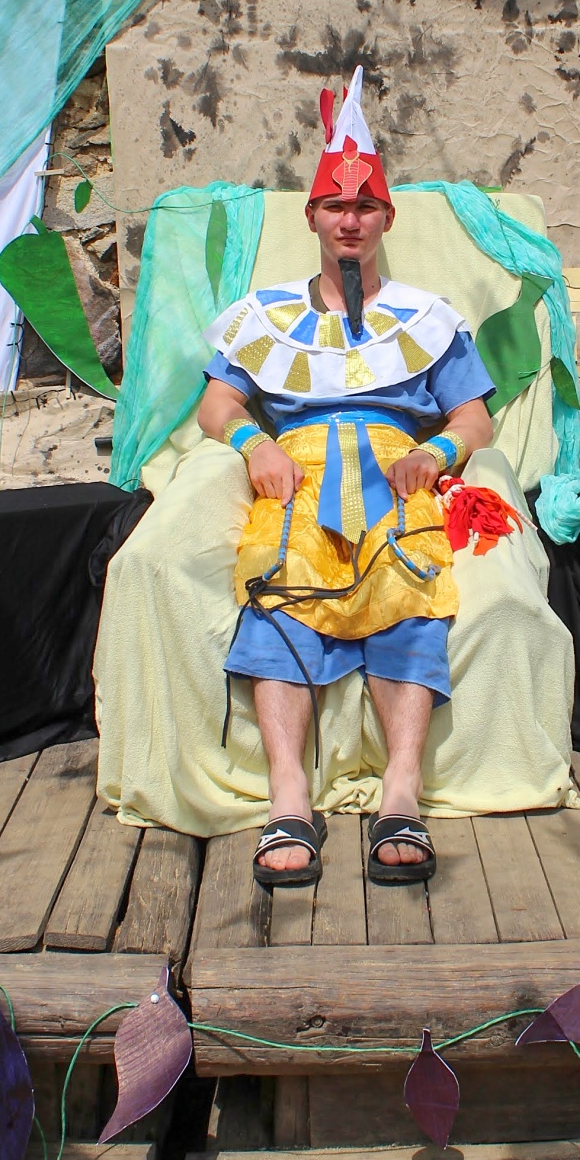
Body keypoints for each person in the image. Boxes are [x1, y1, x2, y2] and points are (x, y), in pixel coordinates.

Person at [196, 69, 494, 890]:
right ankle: (289, 799)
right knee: (279, 584)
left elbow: (473, 417)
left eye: (365, 207)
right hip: (295, 472)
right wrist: (253, 442)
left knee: (410, 583)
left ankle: (401, 794)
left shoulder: (427, 317)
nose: (350, 220)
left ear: (385, 218)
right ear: (314, 218)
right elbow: (216, 404)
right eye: (335, 206)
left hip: (396, 471)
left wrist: (439, 453)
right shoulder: (266, 315)